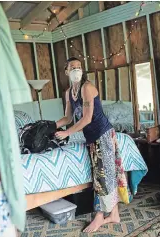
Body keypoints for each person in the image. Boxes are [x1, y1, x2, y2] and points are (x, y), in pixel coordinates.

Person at [55, 57, 129, 233]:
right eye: (72, 67)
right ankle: (114, 214)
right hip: (91, 137)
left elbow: (87, 118)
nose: (76, 70)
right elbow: (68, 118)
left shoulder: (87, 88)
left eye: (79, 67)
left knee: (103, 176)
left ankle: (99, 217)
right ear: (66, 71)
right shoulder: (68, 93)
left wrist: (67, 132)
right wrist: (51, 126)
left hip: (103, 134)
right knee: (108, 174)